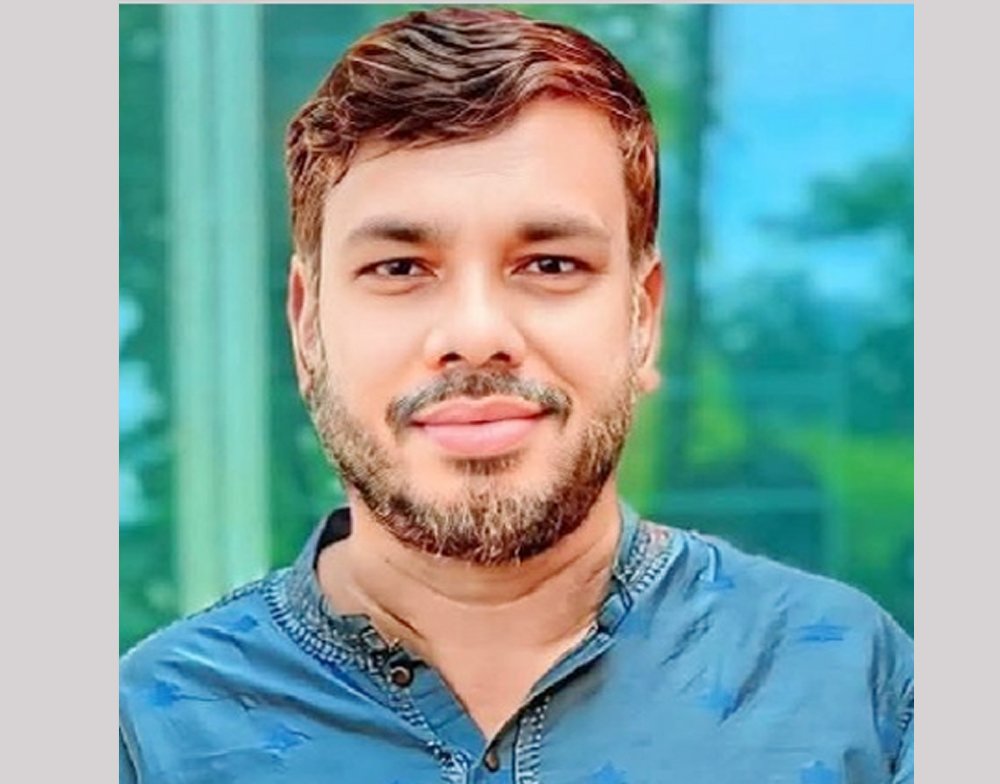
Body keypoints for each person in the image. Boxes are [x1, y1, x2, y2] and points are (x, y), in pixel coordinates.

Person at [119, 7, 913, 783]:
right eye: (400, 268)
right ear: (306, 329)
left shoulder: (853, 694)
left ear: (644, 319)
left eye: (550, 265)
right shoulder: (148, 737)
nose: (475, 333)